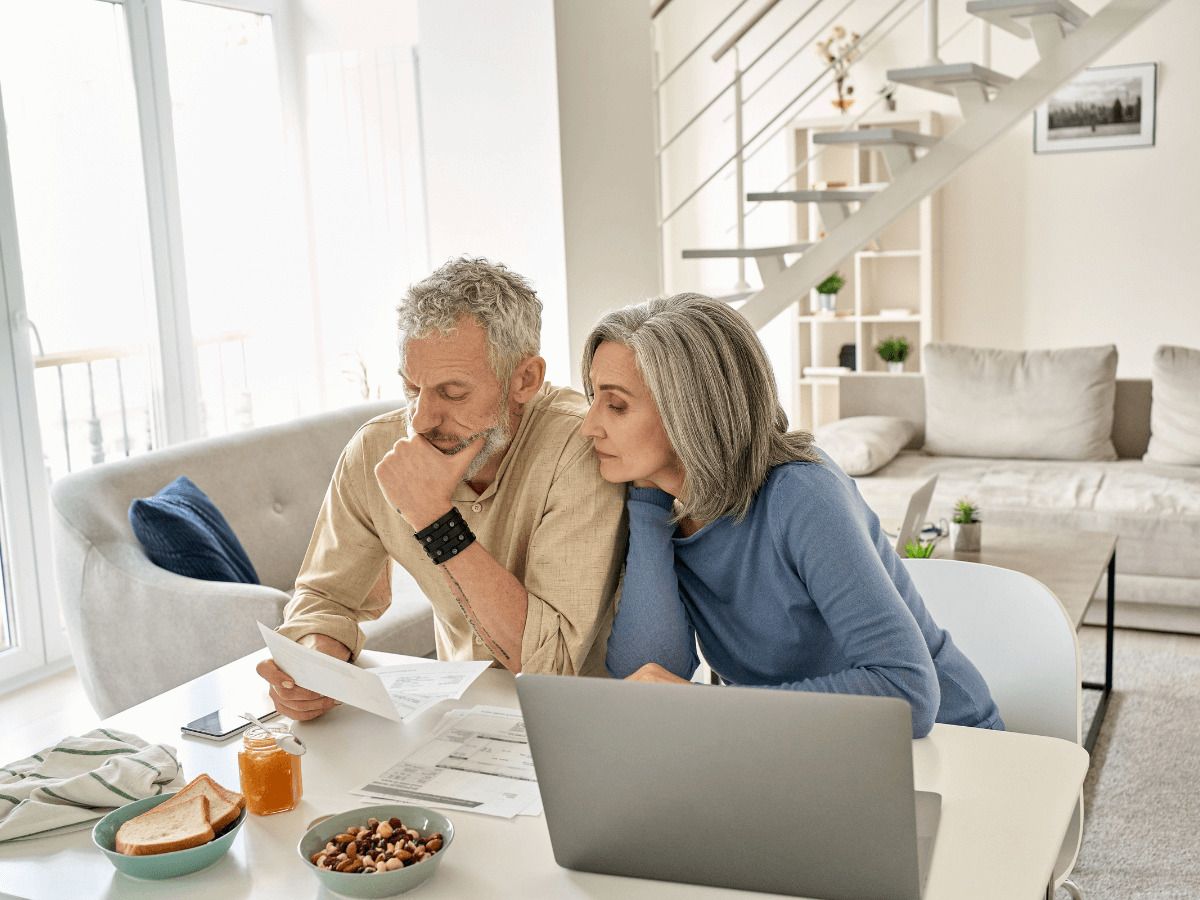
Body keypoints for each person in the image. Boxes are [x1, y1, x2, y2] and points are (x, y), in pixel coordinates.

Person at [580, 293, 1002, 738]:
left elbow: (907, 692)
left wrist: (713, 705)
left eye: (617, 405)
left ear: (690, 412)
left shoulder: (801, 494)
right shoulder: (668, 505)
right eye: (594, 398)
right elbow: (647, 678)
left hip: (948, 744)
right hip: (803, 746)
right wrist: (648, 506)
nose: (589, 425)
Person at [258, 258, 627, 720]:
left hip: (582, 720)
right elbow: (325, 598)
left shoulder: (581, 448)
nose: (421, 419)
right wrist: (317, 661)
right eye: (412, 388)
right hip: (457, 719)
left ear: (525, 380)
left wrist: (435, 521)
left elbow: (547, 665)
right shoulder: (376, 448)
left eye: (452, 393)